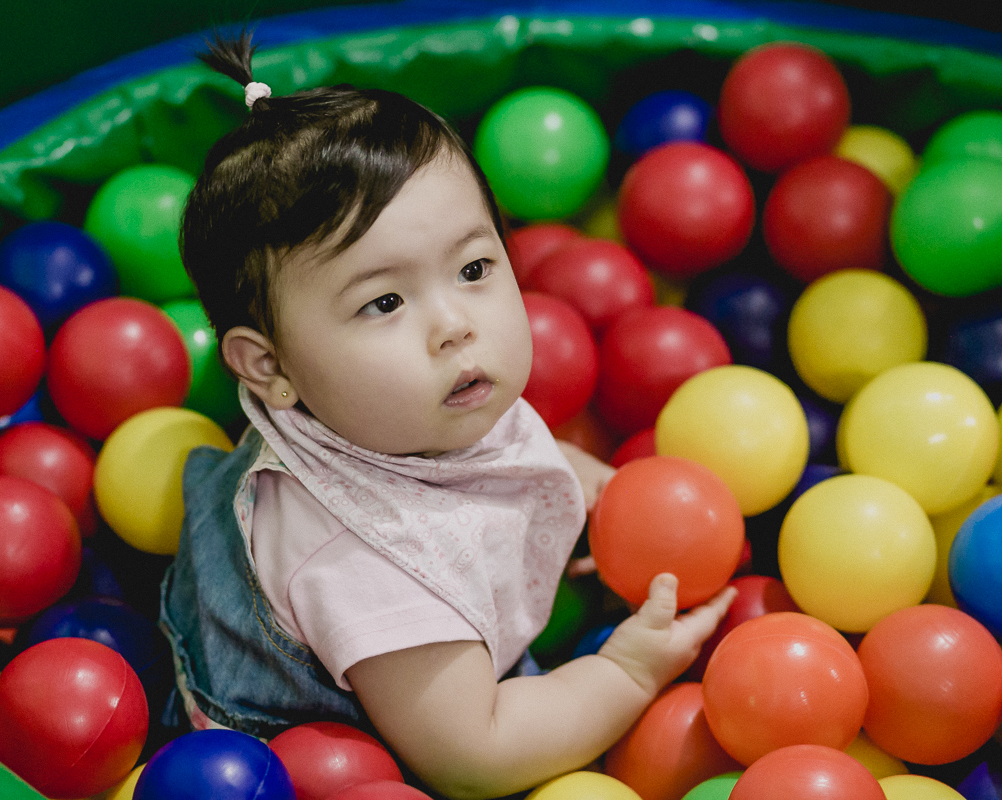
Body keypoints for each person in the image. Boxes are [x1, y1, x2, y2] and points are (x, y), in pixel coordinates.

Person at [159, 31, 737, 800]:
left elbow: (495, 447)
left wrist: (581, 484)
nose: (455, 324)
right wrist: (626, 672)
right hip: (328, 749)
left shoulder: (411, 404)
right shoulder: (368, 567)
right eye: (384, 303)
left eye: (473, 267)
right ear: (272, 369)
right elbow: (473, 754)